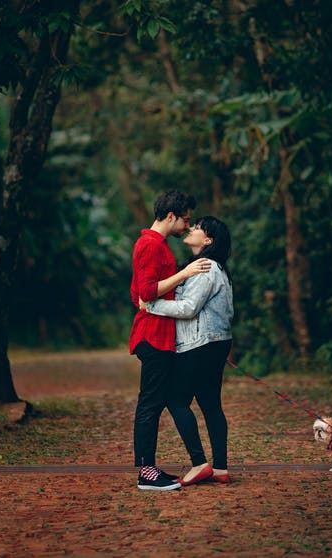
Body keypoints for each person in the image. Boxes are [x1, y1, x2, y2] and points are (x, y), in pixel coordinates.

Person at [141, 216, 233, 486]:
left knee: (175, 399)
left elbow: (188, 308)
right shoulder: (211, 267)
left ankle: (200, 463)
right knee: (210, 403)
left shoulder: (206, 267)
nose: (191, 228)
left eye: (197, 227)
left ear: (208, 240)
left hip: (200, 344)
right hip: (214, 343)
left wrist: (150, 305)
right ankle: (220, 468)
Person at [130, 190, 211, 491]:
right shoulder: (150, 245)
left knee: (158, 401)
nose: (187, 226)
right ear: (171, 216)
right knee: (150, 403)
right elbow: (146, 292)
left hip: (161, 336)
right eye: (185, 220)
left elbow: (138, 294)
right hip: (152, 336)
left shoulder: (157, 244)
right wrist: (185, 273)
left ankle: (151, 468)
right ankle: (146, 472)